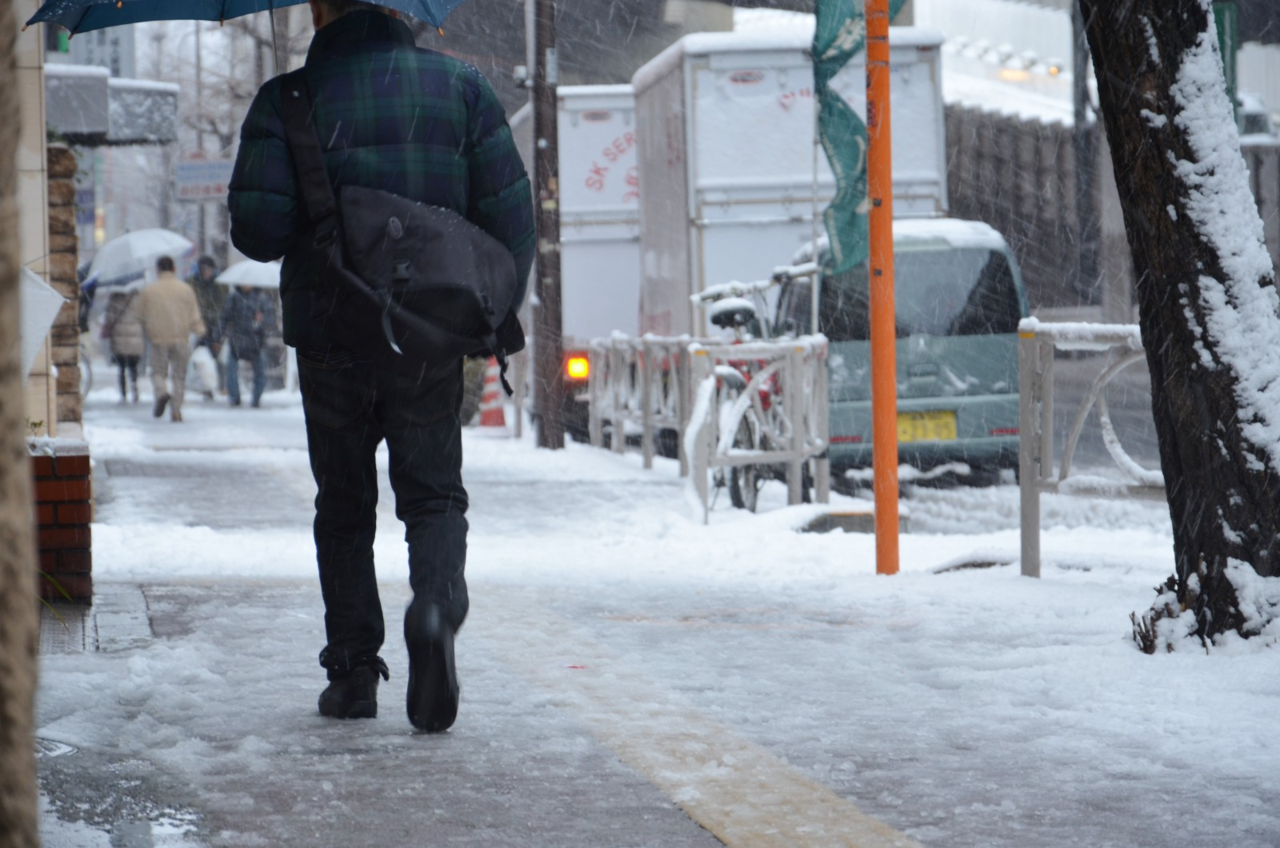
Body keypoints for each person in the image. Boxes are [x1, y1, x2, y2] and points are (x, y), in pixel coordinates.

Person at [228, 0, 534, 731]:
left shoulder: (288, 98)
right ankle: (434, 607)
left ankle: (353, 671)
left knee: (343, 505)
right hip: (427, 331)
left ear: (319, 8)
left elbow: (257, 230)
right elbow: (512, 220)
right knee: (433, 494)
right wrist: (481, 311)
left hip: (331, 328)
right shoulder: (461, 87)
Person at [135, 256, 206, 423]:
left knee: (158, 372)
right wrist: (200, 330)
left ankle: (161, 392)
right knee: (179, 375)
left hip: (158, 338)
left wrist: (149, 327)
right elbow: (194, 314)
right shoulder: (185, 289)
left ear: (158, 270)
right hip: (181, 337)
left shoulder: (149, 291)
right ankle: (176, 409)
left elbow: (139, 315)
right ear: (174, 268)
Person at [216, 284, 274, 408]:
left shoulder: (262, 299)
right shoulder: (233, 298)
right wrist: (217, 336)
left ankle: (256, 399)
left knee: (260, 373)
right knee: (231, 371)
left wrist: (262, 319)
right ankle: (234, 398)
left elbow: (270, 321)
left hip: (256, 342)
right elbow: (224, 317)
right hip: (236, 341)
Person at [188, 255, 226, 396]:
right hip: (198, 325)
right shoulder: (192, 283)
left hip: (216, 326)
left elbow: (223, 304)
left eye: (208, 269)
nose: (206, 272)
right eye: (203, 269)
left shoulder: (220, 284)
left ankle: (218, 385)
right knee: (198, 357)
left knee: (216, 357)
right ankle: (204, 385)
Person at [102, 290, 144, 404]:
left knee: (121, 367)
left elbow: (109, 317)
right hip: (135, 335)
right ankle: (134, 385)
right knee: (133, 366)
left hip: (119, 334)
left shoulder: (115, 297)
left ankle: (123, 392)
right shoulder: (138, 297)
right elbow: (143, 316)